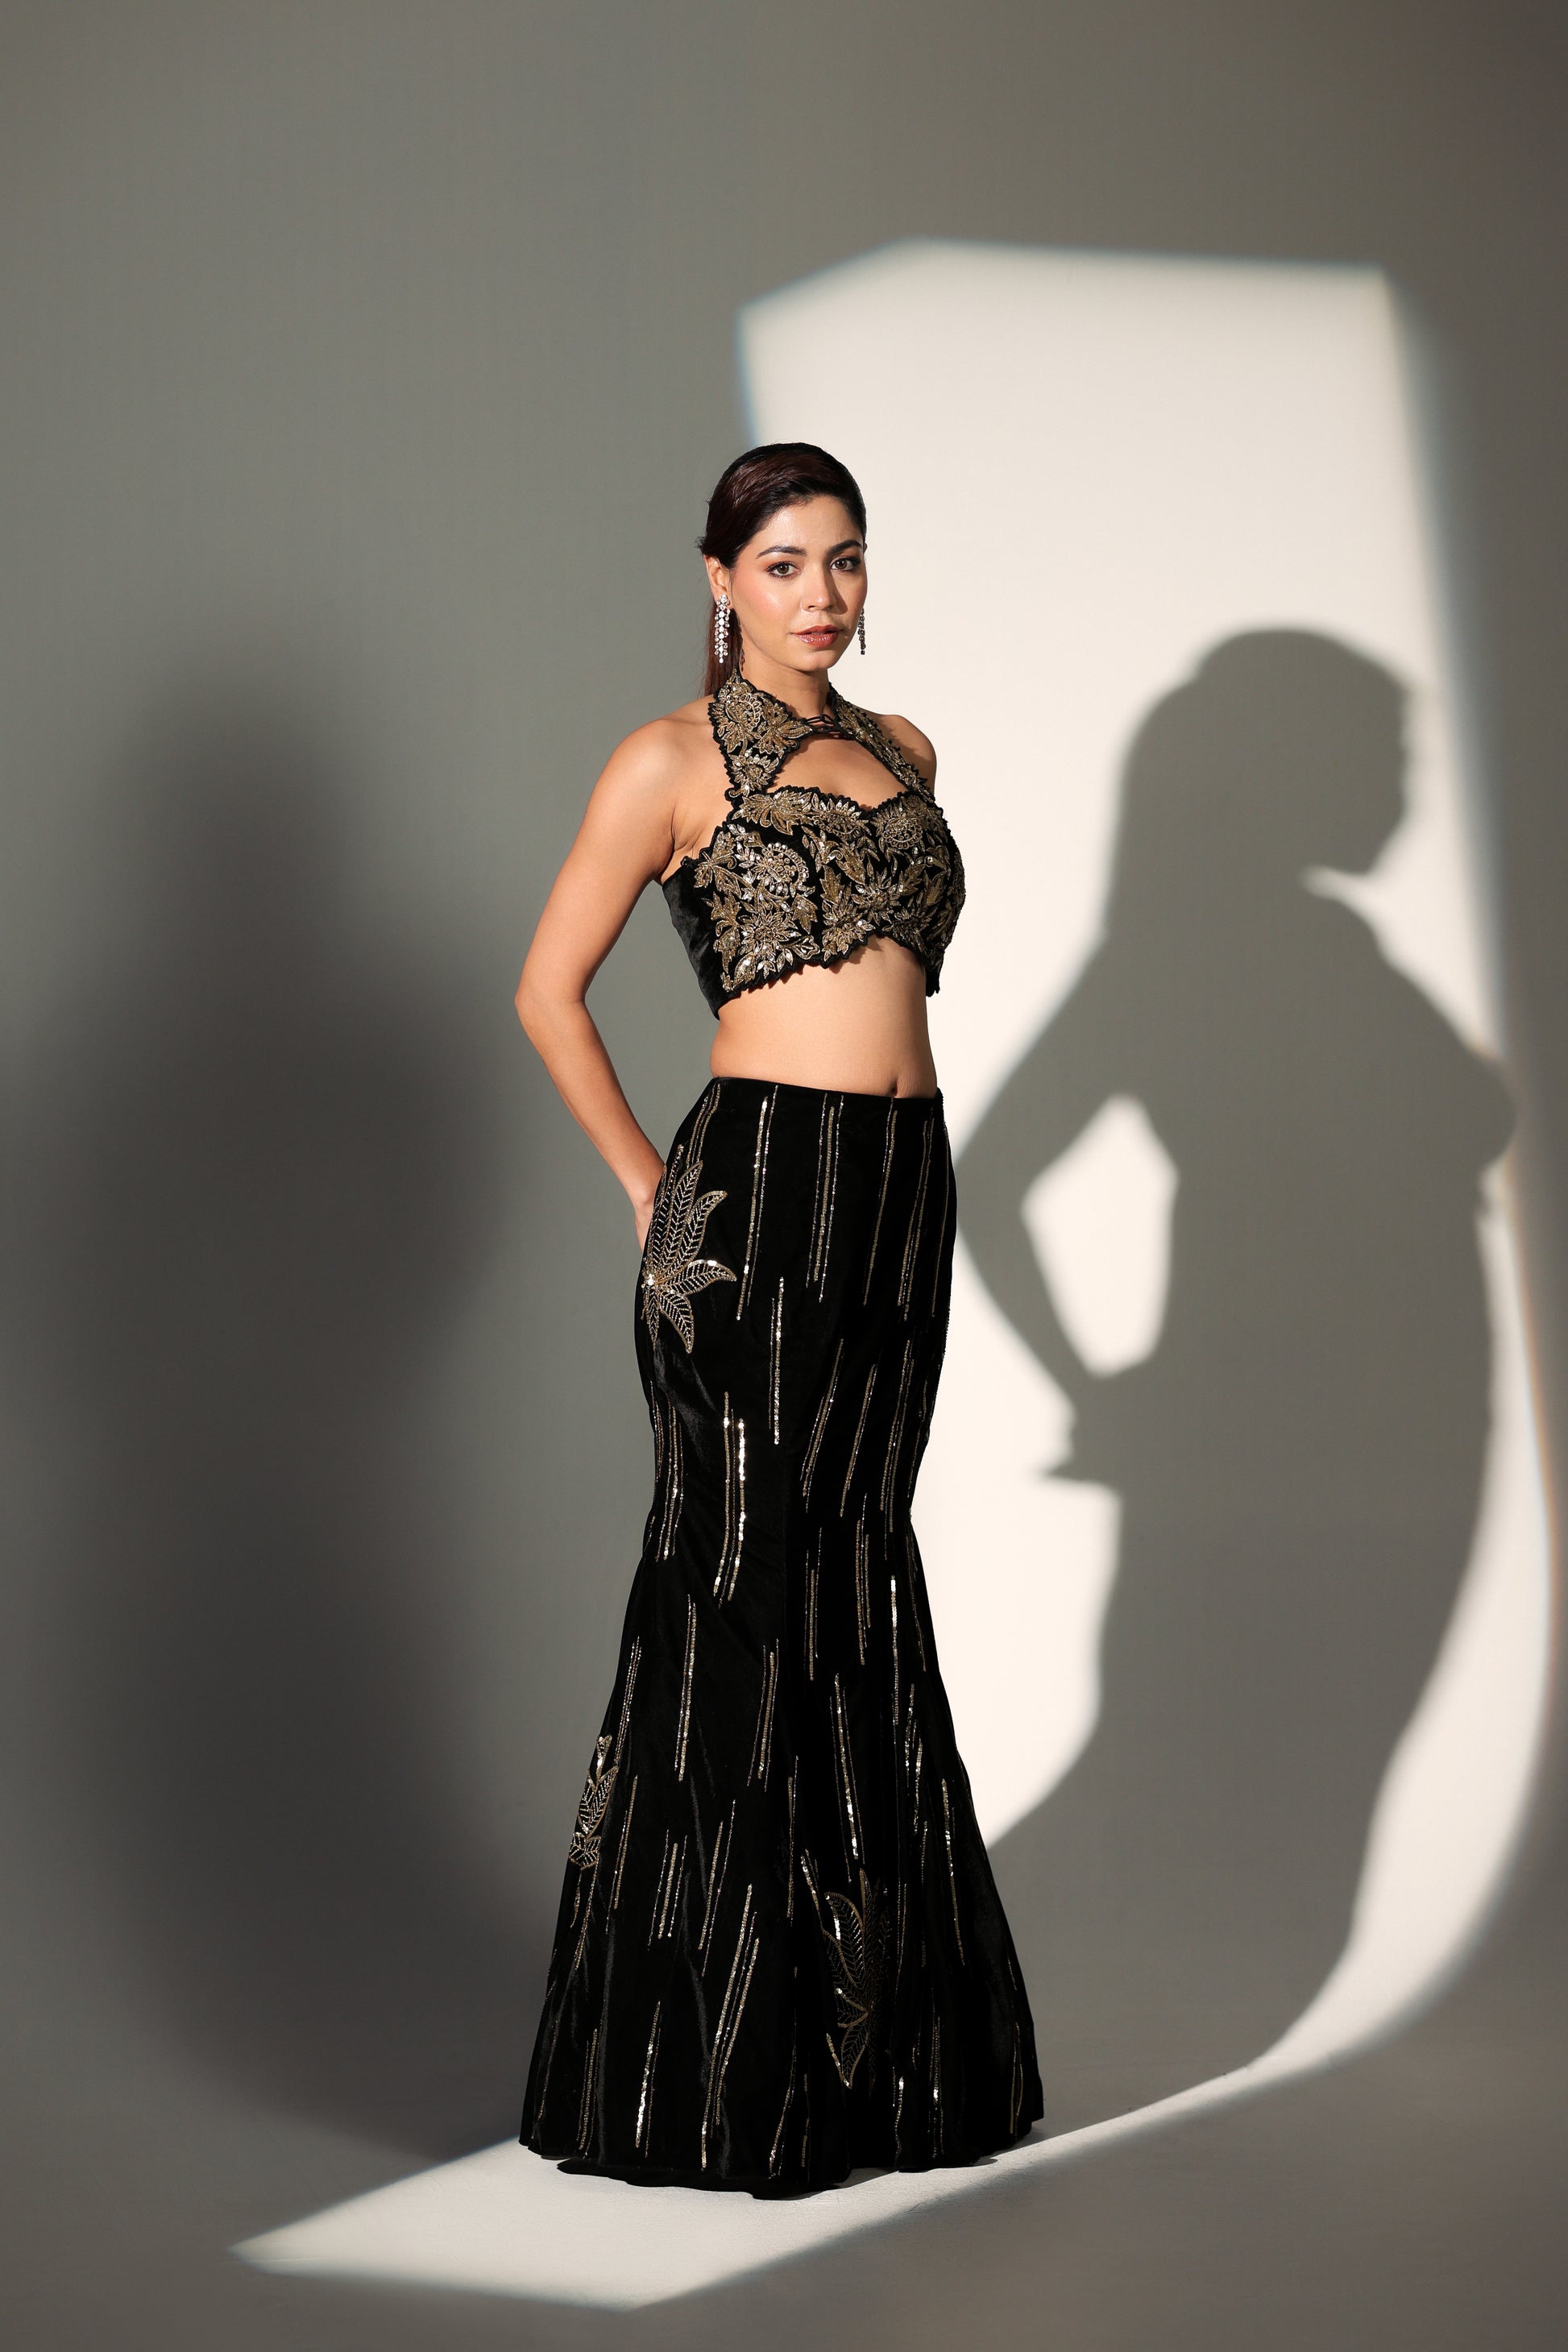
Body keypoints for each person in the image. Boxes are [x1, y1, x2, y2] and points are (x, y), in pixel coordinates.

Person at [514, 442, 1043, 2192]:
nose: (822, 594)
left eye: (846, 559)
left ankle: (882, 2064)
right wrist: (646, 1187)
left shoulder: (907, 752)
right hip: (756, 1198)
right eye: (786, 562)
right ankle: (698, 2069)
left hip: (900, 1193)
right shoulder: (668, 761)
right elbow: (546, 990)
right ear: (720, 577)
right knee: (744, 1578)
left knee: (859, 1567)